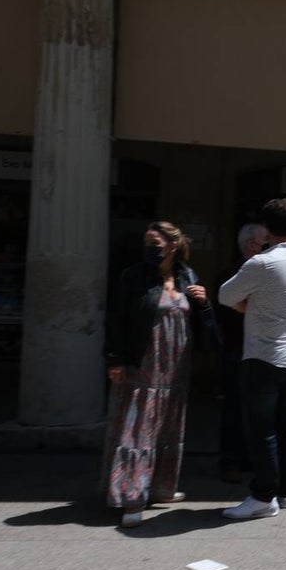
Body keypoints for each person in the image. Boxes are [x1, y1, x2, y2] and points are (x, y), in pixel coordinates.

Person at [103, 221, 217, 528]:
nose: (149, 248)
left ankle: (160, 488)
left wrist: (203, 303)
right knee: (138, 431)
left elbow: (203, 320)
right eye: (147, 242)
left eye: (155, 242)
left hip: (176, 370)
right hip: (143, 367)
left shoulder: (187, 276)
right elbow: (116, 319)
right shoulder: (133, 277)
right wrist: (115, 359)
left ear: (172, 246)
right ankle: (132, 496)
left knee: (168, 430)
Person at [220, 198, 286, 520]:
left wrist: (248, 306)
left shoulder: (262, 263)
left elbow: (224, 295)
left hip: (262, 356)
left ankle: (263, 495)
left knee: (261, 430)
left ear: (265, 229)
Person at [215, 222, 270, 483]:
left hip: (257, 351)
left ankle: (248, 459)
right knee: (235, 409)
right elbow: (228, 306)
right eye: (265, 243)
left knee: (254, 410)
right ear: (251, 245)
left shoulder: (263, 271)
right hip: (238, 350)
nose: (269, 248)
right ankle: (231, 462)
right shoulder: (235, 272)